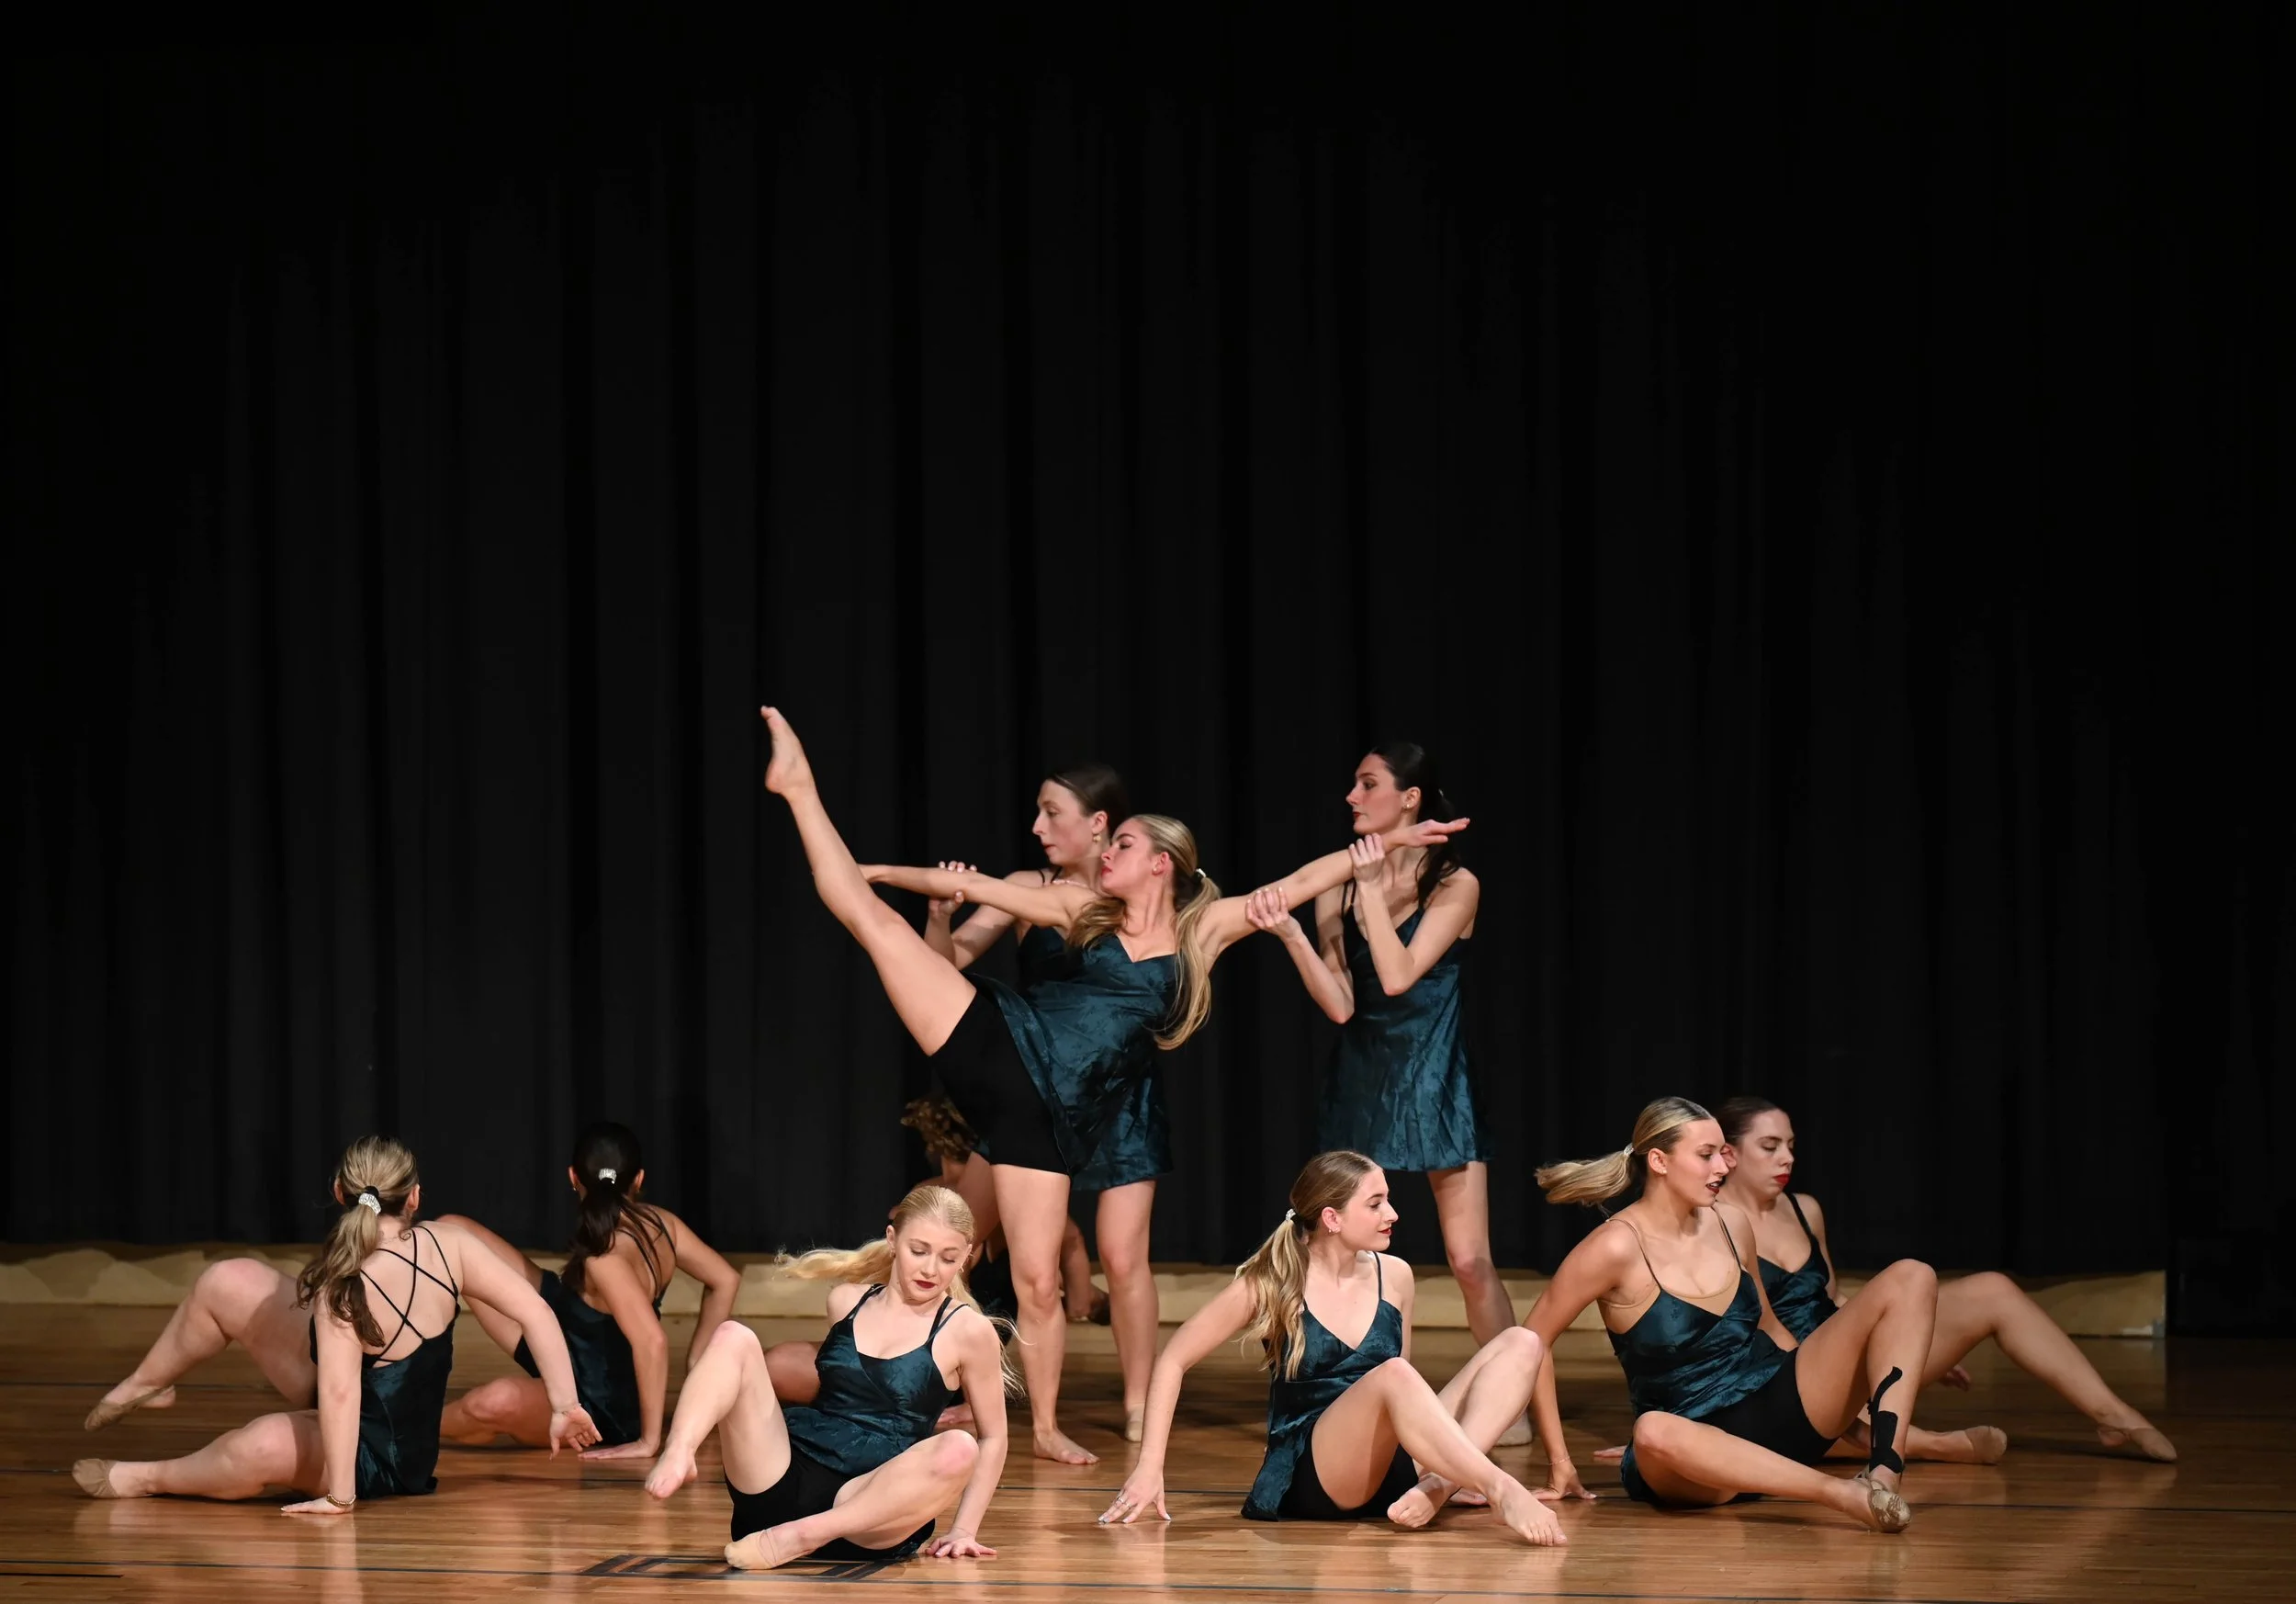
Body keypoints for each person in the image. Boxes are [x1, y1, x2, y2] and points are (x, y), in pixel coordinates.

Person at [757, 705, 1463, 1464]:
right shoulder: (1078, 906)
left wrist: (1388, 841)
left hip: (1048, 1123)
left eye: (1123, 843)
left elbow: (1297, 882)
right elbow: (987, 888)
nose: (1109, 853)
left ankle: (1048, 1426)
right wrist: (879, 874)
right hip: (997, 1048)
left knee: (1036, 1281)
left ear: (1159, 861)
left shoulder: (1203, 931)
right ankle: (800, 790)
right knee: (870, 922)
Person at [73, 1136, 598, 1506]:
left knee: (256, 1445)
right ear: (415, 1196)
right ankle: (149, 1382)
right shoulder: (435, 1249)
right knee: (227, 1281)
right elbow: (537, 1310)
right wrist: (563, 1405)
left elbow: (342, 1397)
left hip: (382, 1455)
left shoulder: (349, 1284)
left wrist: (340, 1496)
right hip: (340, 1395)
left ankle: (149, 1478)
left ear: (342, 1195)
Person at [1254, 742, 1523, 1440]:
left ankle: (1510, 1399)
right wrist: (1291, 935)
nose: (1351, 795)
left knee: (1469, 1258)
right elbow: (1342, 1003)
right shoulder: (1340, 886)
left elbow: (1400, 974)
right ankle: (1327, 1390)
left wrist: (1371, 886)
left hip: (1434, 1075)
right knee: (1333, 1248)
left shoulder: (1453, 883)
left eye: (1367, 784)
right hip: (1363, 1075)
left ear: (1409, 800)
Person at [1099, 1151, 1563, 1544]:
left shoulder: (1395, 1274)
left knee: (1521, 1342)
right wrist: (1149, 1468)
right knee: (1395, 1375)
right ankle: (1499, 1486)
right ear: (1332, 1218)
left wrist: (1435, 1454)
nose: (1393, 1214)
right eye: (1376, 1203)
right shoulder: (1270, 1282)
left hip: (1385, 1461)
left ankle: (1440, 1484)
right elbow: (1174, 1358)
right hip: (1315, 1472)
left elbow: (1406, 1397)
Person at [1519, 1098, 1938, 1532]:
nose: (1722, 1167)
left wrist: (1846, 1417)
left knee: (1912, 1275)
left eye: (1722, 1153)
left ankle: (1884, 1474)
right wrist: (1560, 1462)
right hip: (1694, 1454)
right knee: (1651, 1431)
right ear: (1660, 1161)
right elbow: (1531, 1344)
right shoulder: (1614, 1246)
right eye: (1706, 1156)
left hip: (1776, 1412)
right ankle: (1838, 1494)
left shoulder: (1732, 1223)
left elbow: (1770, 1326)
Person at [1711, 1096, 2175, 1463]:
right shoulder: (1714, 1223)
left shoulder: (1805, 1208)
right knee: (1790, 1428)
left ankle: (2113, 1415)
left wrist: (1908, 1333)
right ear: (1729, 1154)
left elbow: (1830, 1297)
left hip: (1850, 1353)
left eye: (1791, 1145)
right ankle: (1929, 1444)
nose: (1786, 1158)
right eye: (1770, 1147)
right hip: (1785, 1377)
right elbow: (1740, 1332)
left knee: (1993, 1288)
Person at [925, 762, 1162, 1439]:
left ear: (1098, 824)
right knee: (959, 1234)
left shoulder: (1141, 894)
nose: (1037, 826)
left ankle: (1140, 1400)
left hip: (1123, 1097)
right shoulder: (1031, 888)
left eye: (1052, 812)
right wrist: (941, 916)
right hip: (1039, 1086)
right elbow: (951, 962)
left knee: (1123, 1255)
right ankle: (937, 1373)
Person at [643, 1183, 1009, 1568]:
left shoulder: (969, 1331)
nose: (931, 1269)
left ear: (966, 1256)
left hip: (868, 1515)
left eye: (948, 1258)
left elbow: (993, 1436)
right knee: (733, 1336)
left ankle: (802, 1536)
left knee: (959, 1447)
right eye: (919, 1251)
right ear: (892, 1240)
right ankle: (679, 1451)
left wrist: (964, 1530)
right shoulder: (846, 1301)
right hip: (783, 1479)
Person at [436, 1121, 742, 1457]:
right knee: (451, 1231)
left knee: (492, 1402)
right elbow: (726, 1279)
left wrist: (649, 1440)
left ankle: (411, 1429)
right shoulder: (662, 1222)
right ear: (639, 1179)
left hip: (597, 1401)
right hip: (567, 1327)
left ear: (572, 1178)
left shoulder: (606, 1258)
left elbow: (652, 1341)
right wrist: (698, 1364)